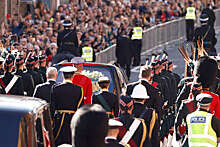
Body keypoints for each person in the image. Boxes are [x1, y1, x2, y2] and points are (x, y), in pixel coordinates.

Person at [51, 66, 84, 146]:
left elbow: (52, 106)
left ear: (62, 75)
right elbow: (80, 108)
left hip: (58, 120)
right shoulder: (79, 89)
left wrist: (52, 120)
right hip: (72, 120)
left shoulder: (55, 88)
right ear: (73, 76)